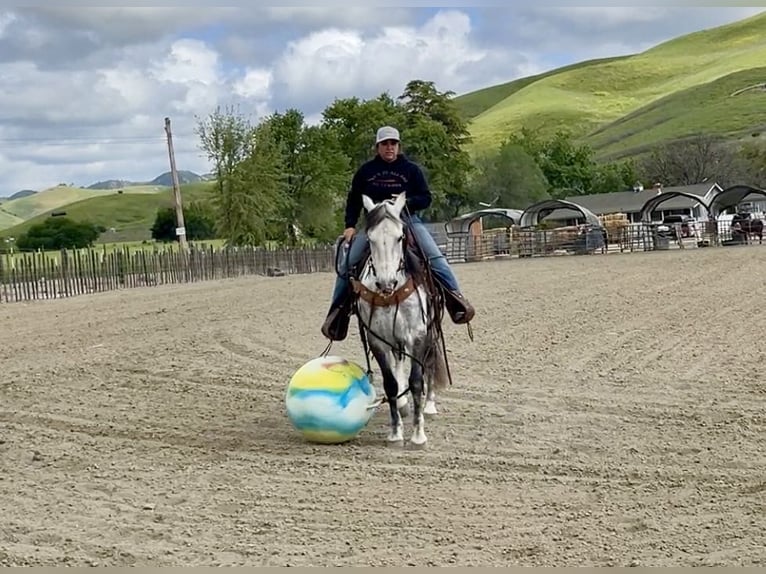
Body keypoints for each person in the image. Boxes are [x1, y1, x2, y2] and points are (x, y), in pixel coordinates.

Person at [321, 125, 475, 341]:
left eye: (393, 143)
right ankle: (337, 314)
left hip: (407, 220)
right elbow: (354, 200)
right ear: (378, 147)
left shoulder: (411, 170)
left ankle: (456, 301)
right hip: (375, 224)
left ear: (398, 146)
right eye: (385, 144)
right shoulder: (365, 172)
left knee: (435, 257)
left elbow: (425, 197)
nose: (389, 147)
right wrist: (350, 225)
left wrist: (405, 202)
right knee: (347, 264)